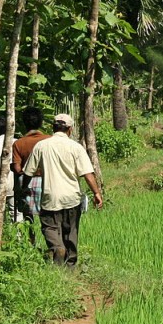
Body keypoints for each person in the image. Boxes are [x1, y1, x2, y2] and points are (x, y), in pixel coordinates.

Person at [23, 113, 103, 266]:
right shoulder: (76, 147)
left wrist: (23, 188)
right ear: (70, 129)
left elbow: (28, 172)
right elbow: (87, 174)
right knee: (71, 231)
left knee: (49, 227)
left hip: (50, 197)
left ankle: (57, 247)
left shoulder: (41, 146)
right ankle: (70, 263)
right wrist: (96, 193)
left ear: (53, 127)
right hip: (71, 198)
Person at [11, 106, 49, 228]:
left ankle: (31, 241)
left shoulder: (18, 143)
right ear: (41, 122)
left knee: (28, 217)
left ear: (24, 123)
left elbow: (17, 168)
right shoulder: (49, 140)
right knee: (47, 215)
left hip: (27, 183)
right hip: (47, 180)